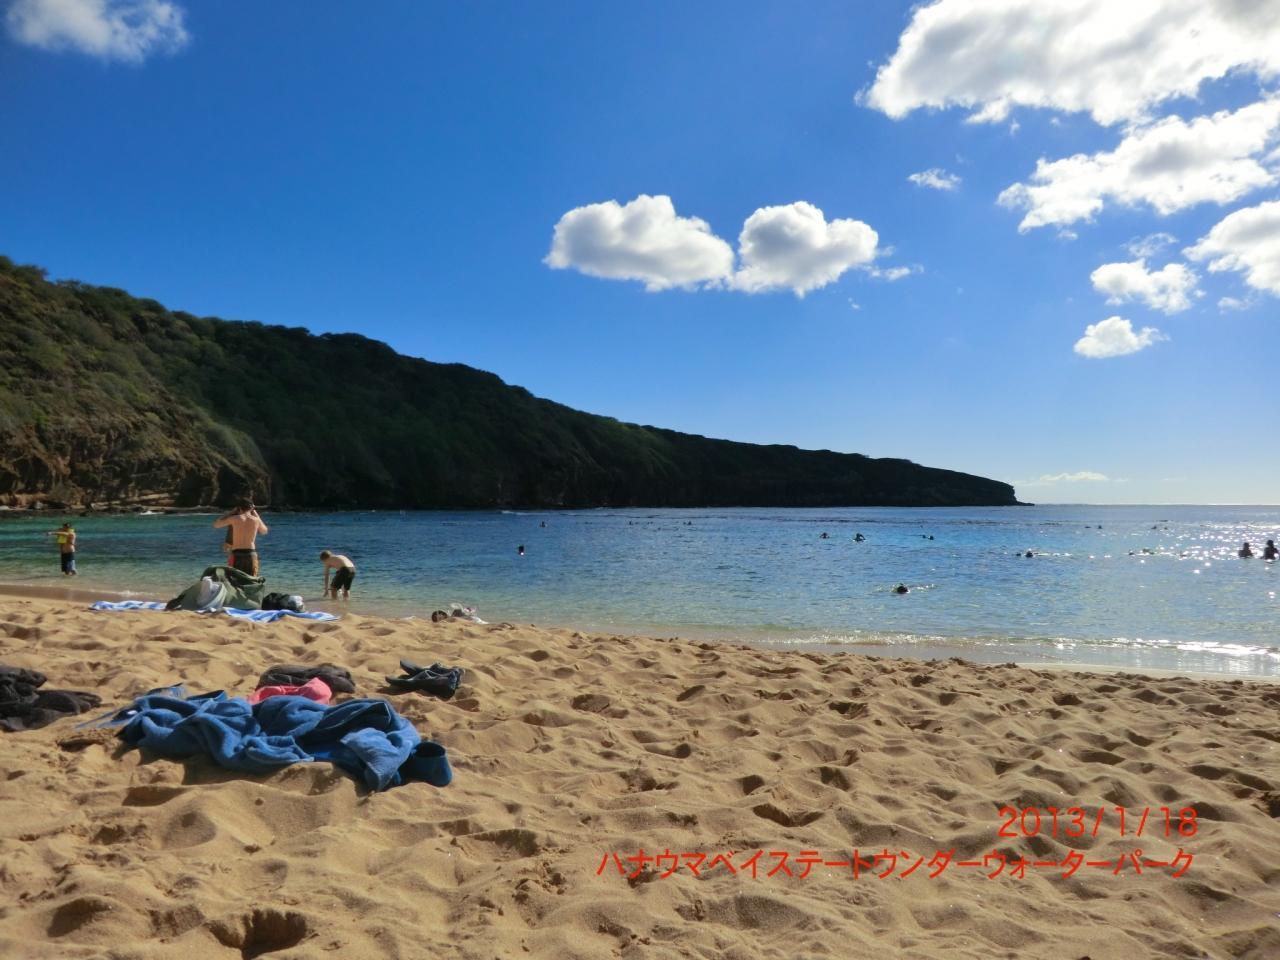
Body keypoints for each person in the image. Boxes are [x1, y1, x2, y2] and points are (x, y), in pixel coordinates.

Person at [212, 500, 267, 576]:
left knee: (235, 578)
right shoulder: (256, 520)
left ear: (239, 508)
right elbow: (264, 531)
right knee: (252, 578)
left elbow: (216, 525)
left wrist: (231, 512)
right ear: (251, 508)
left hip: (236, 553)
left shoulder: (234, 518)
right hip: (251, 553)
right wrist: (255, 513)